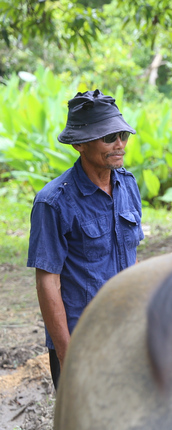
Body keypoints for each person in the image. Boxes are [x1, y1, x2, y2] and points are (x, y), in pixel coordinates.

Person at [27, 90, 144, 390]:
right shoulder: (53, 202)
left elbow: (132, 260)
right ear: (80, 144)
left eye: (123, 135)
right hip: (82, 339)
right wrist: (68, 357)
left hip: (126, 333)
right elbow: (47, 283)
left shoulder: (128, 186)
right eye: (108, 137)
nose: (119, 144)